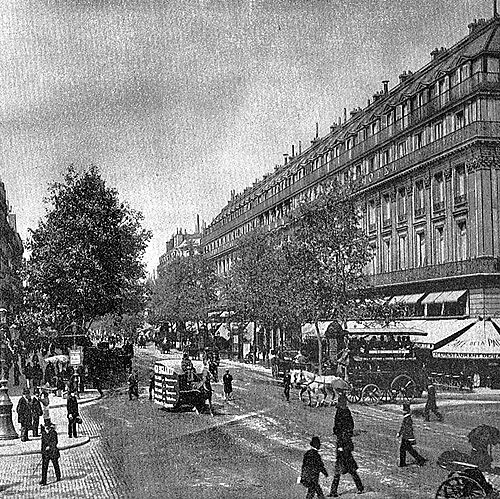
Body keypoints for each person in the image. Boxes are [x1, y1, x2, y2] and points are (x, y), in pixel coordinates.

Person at [329, 396, 364, 496]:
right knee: (351, 470)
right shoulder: (346, 412)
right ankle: (359, 487)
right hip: (346, 445)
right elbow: (350, 426)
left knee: (339, 470)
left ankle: (333, 491)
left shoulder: (340, 412)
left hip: (343, 446)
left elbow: (338, 427)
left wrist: (340, 444)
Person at [40, 421, 61, 486]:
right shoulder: (43, 433)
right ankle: (44, 480)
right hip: (46, 453)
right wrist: (42, 451)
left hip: (53, 452)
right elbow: (42, 443)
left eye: (47, 427)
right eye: (45, 427)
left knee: (55, 464)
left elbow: (55, 442)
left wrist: (50, 446)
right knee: (44, 467)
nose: (46, 428)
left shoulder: (53, 433)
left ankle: (58, 476)